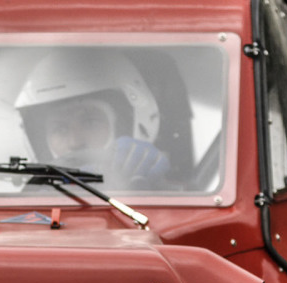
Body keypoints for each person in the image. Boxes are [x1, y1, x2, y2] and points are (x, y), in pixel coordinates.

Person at [14, 49, 171, 189]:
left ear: (130, 124)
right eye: (60, 129)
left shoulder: (164, 196)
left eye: (90, 123)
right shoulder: (32, 204)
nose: (75, 143)